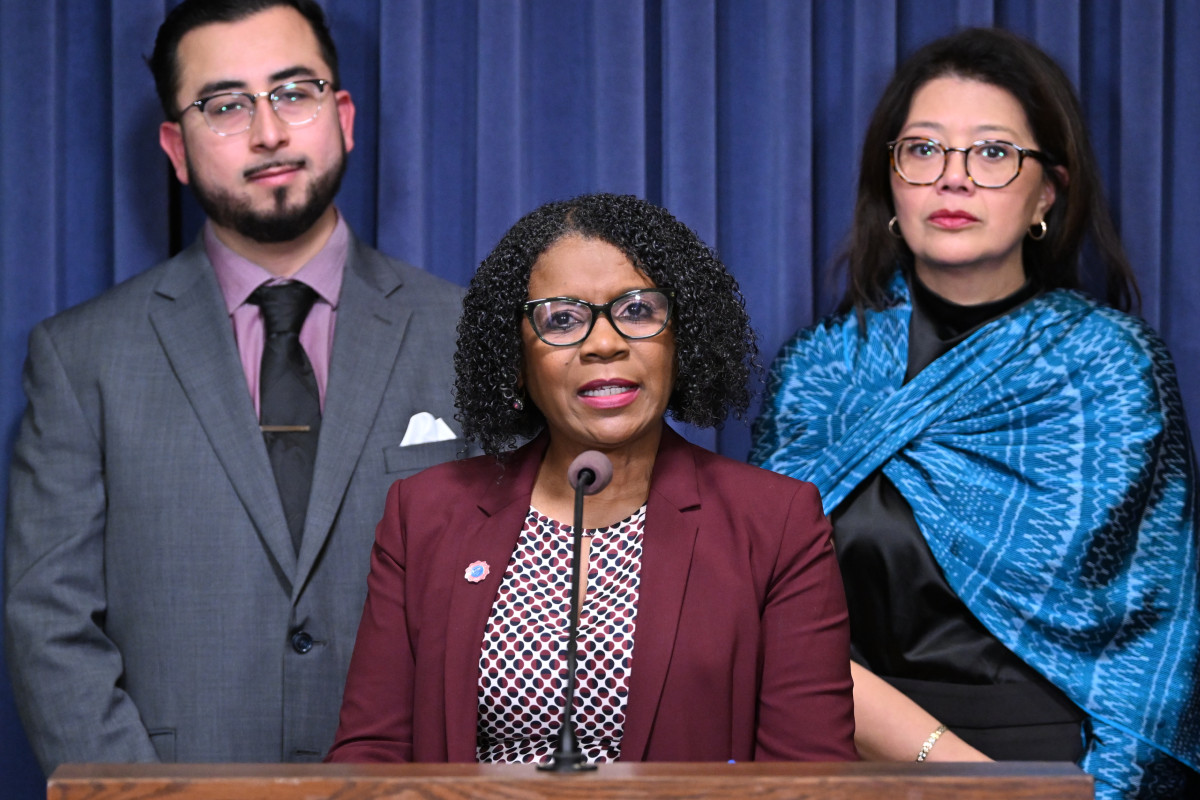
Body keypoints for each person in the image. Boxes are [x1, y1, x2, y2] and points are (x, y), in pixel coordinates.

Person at [4, 0, 467, 773]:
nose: (268, 132)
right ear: (175, 150)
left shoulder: (464, 335)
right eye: (225, 105)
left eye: (294, 92)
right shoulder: (80, 356)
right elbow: (50, 624)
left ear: (343, 116)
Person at [750, 27, 1199, 799]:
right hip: (842, 762)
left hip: (1052, 772)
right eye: (923, 150)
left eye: (993, 154)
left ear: (1048, 192)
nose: (952, 180)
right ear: (890, 182)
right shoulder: (818, 372)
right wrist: (947, 767)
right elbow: (761, 612)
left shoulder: (1106, 366)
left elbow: (1154, 644)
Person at [326, 193, 856, 764]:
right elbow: (372, 751)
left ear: (683, 336)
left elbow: (811, 774)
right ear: (516, 356)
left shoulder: (776, 524)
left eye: (637, 310)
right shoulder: (425, 512)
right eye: (563, 319)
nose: (604, 343)